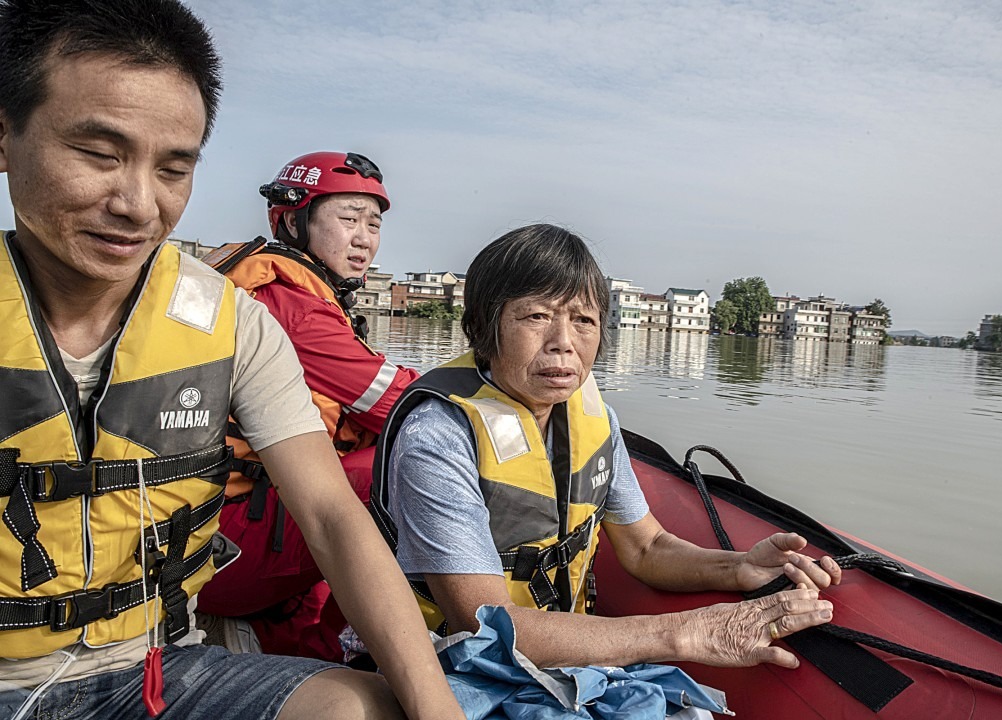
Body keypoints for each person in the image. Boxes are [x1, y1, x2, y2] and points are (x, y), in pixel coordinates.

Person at [0, 1, 465, 719]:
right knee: (404, 452)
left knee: (368, 706)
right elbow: (392, 402)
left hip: (156, 663)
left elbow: (333, 517)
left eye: (173, 168)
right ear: (5, 135)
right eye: (98, 154)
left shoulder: (231, 318)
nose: (136, 203)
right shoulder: (286, 296)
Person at [370, 223, 841, 672]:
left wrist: (739, 568)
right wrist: (685, 632)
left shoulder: (595, 421)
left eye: (583, 320)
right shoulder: (438, 436)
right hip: (447, 663)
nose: (563, 344)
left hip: (565, 657)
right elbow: (484, 625)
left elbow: (647, 548)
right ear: (482, 327)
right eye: (536, 316)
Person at [196, 151, 420, 661]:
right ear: (293, 221)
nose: (364, 237)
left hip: (238, 524)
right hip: (225, 547)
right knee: (400, 464)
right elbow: (405, 406)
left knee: (346, 467)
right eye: (347, 219)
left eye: (373, 223)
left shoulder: (292, 291)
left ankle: (305, 643)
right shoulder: (287, 305)